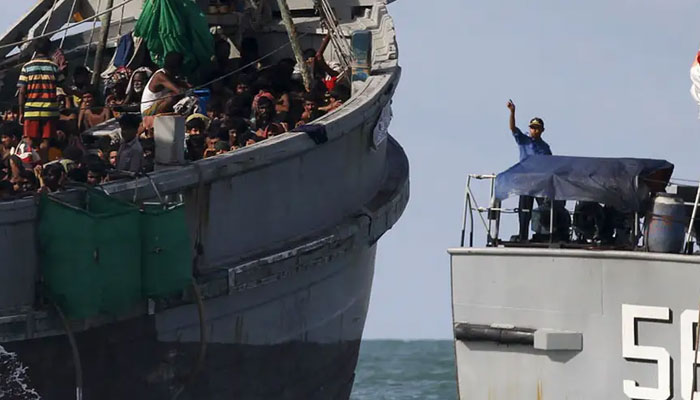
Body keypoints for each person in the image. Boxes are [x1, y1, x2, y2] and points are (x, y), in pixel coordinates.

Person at [506, 100, 552, 241]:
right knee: (524, 210)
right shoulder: (524, 140)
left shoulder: (545, 147)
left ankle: (543, 234)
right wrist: (512, 112)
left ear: (542, 130)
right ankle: (523, 236)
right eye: (532, 127)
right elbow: (513, 128)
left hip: (539, 183)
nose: (534, 130)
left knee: (544, 209)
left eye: (537, 128)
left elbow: (550, 165)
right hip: (526, 182)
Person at [17, 37, 60, 164]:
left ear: (35, 50)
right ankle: (43, 165)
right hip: (50, 111)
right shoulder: (54, 67)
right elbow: (63, 85)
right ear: (49, 50)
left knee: (29, 140)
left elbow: (22, 91)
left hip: (31, 110)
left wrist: (21, 111)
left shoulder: (27, 67)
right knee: (45, 142)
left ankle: (29, 167)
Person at [141, 52, 191, 117]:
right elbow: (179, 91)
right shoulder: (160, 76)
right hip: (147, 113)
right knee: (171, 97)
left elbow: (186, 85)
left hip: (157, 106)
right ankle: (158, 119)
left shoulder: (170, 75)